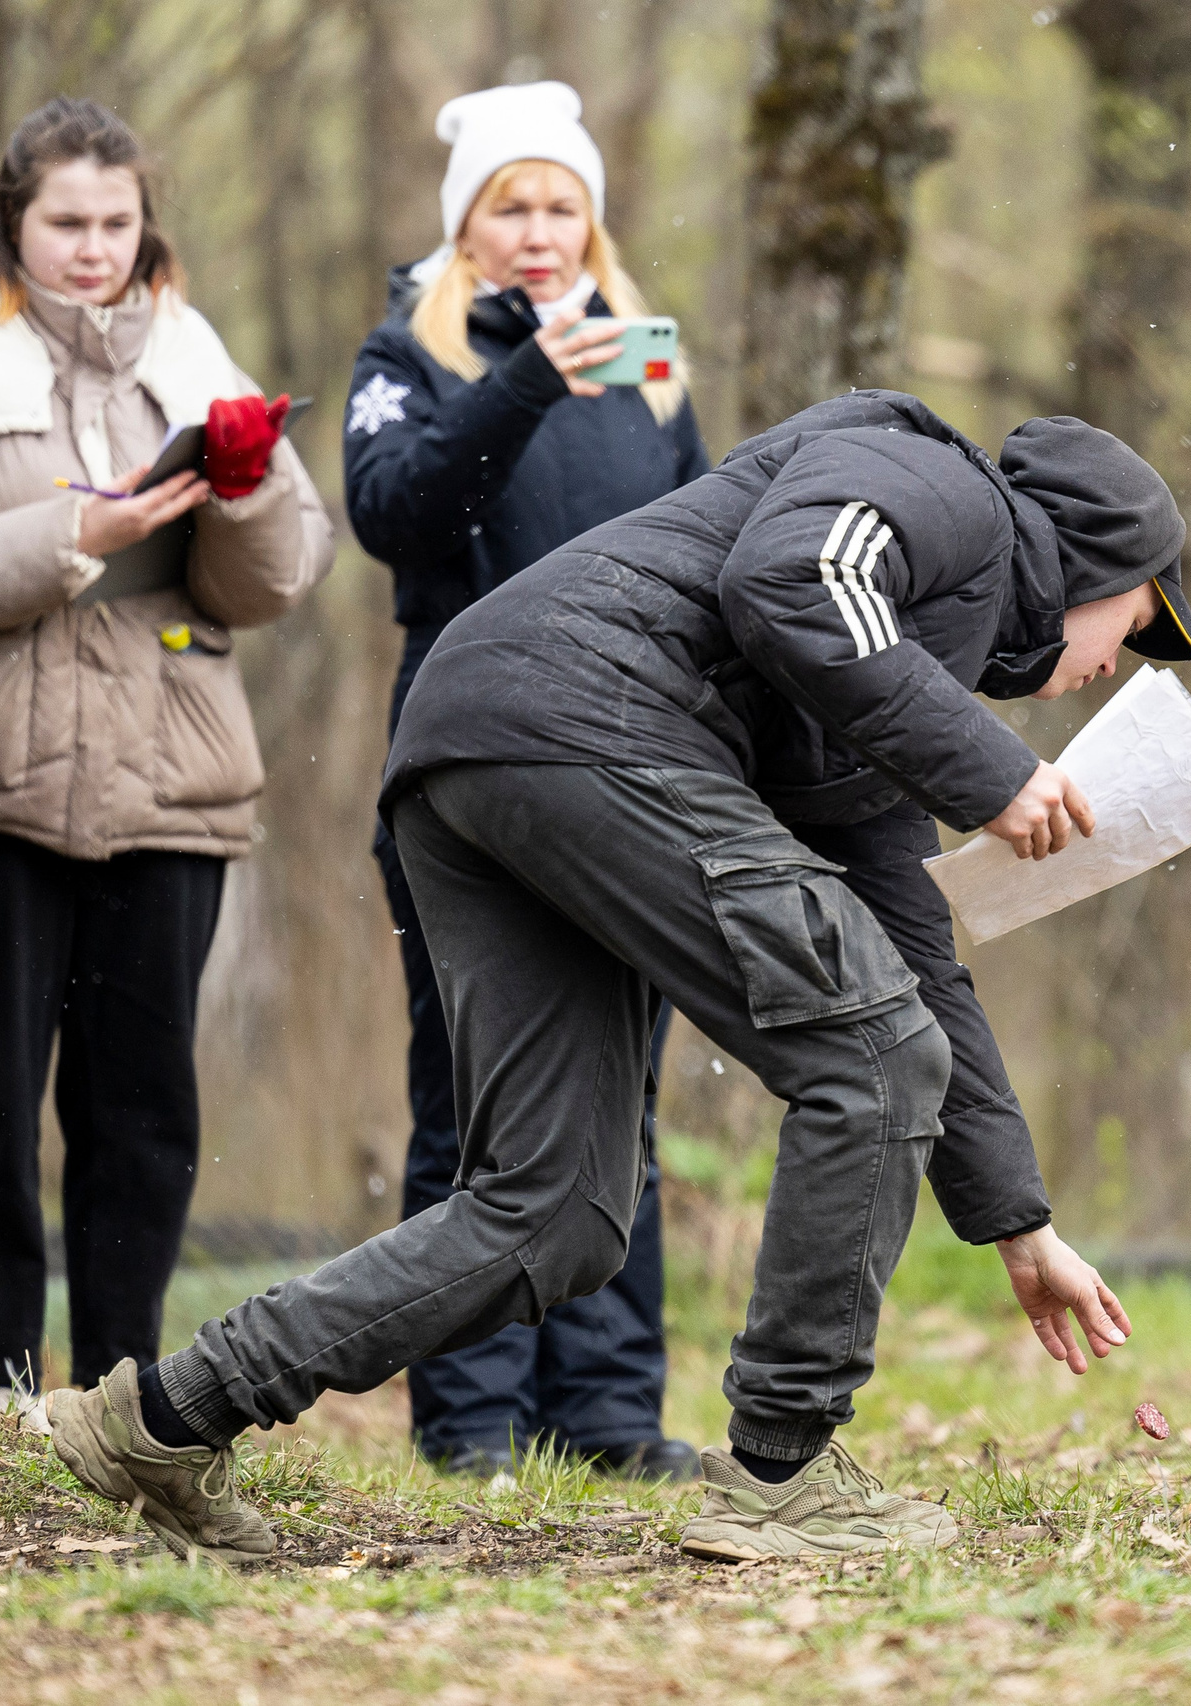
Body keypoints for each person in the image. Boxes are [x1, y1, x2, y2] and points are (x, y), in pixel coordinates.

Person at [49, 386, 1191, 1562]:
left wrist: (1019, 1221)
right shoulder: (947, 491)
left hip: (485, 746)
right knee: (867, 1056)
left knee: (555, 1214)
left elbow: (922, 966)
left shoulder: (892, 690)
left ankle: (168, 1416)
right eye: (1135, 625)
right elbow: (797, 577)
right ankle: (781, 1469)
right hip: (582, 716)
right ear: (1092, 561)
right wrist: (991, 770)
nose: (1114, 664)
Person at [0, 98, 332, 1408]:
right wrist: (80, 533)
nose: (93, 249)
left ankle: (123, 1395)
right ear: (11, 221)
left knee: (143, 1109)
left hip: (168, 782)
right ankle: (0, 1383)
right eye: (66, 222)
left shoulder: (197, 362)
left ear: (148, 227)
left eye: (116, 223)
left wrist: (244, 487)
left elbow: (277, 579)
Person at [345, 81, 709, 1482]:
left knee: (620, 1103)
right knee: (477, 1102)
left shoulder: (650, 373)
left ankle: (605, 1414)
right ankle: (473, 1420)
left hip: (634, 768)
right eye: (513, 206)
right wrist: (527, 379)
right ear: (467, 227)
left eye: (564, 206)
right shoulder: (410, 354)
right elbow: (395, 511)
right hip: (465, 777)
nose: (542, 231)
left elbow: (706, 550)